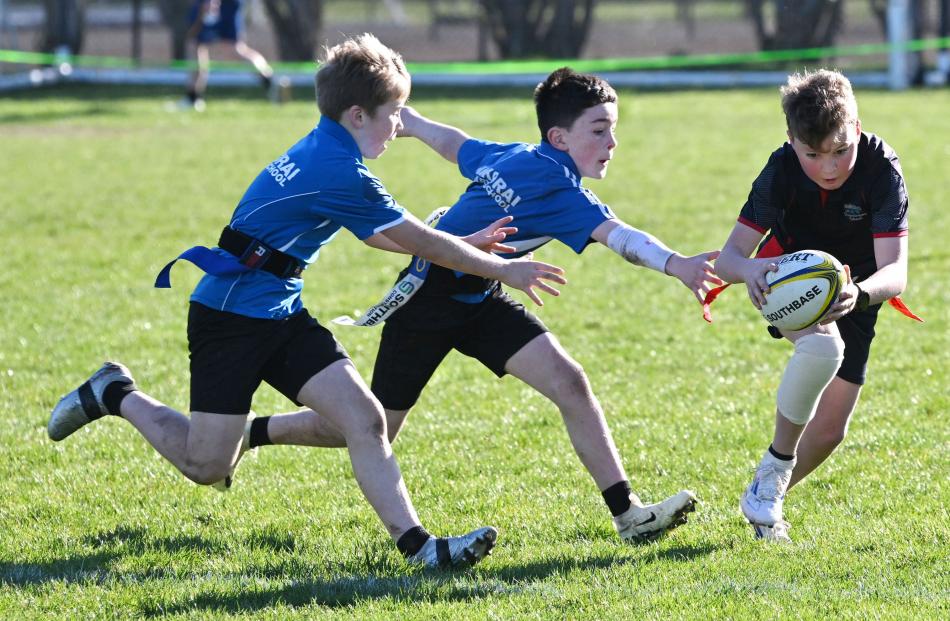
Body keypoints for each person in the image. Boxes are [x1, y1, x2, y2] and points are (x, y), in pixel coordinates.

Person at [48, 33, 567, 569]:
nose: (400, 125)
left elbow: (378, 233)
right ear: (358, 114)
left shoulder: (330, 145)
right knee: (206, 464)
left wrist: (464, 246)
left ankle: (420, 549)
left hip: (279, 309)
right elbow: (418, 239)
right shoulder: (337, 169)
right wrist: (503, 266)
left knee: (365, 419)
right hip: (229, 318)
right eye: (395, 113)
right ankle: (115, 393)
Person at [231, 67, 724, 544]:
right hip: (427, 302)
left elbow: (455, 144)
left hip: (480, 295)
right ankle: (250, 433)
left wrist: (414, 123)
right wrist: (677, 264)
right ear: (558, 138)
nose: (612, 144)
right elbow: (622, 237)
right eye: (599, 130)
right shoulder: (561, 190)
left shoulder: (513, 155)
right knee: (366, 428)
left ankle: (628, 514)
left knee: (569, 382)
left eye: (613, 130)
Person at [711, 69, 915, 542]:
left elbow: (896, 272)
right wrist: (751, 272)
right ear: (791, 141)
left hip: (858, 289)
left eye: (841, 150)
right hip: (786, 281)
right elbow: (729, 258)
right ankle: (776, 472)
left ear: (857, 129)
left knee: (829, 433)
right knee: (824, 349)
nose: (829, 166)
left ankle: (765, 493)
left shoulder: (881, 169)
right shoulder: (781, 169)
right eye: (813, 154)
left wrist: (859, 294)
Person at [182, 0, 275, 110]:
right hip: (213, 4)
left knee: (233, 49)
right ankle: (193, 97)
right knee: (195, 45)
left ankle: (268, 78)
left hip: (221, 5)